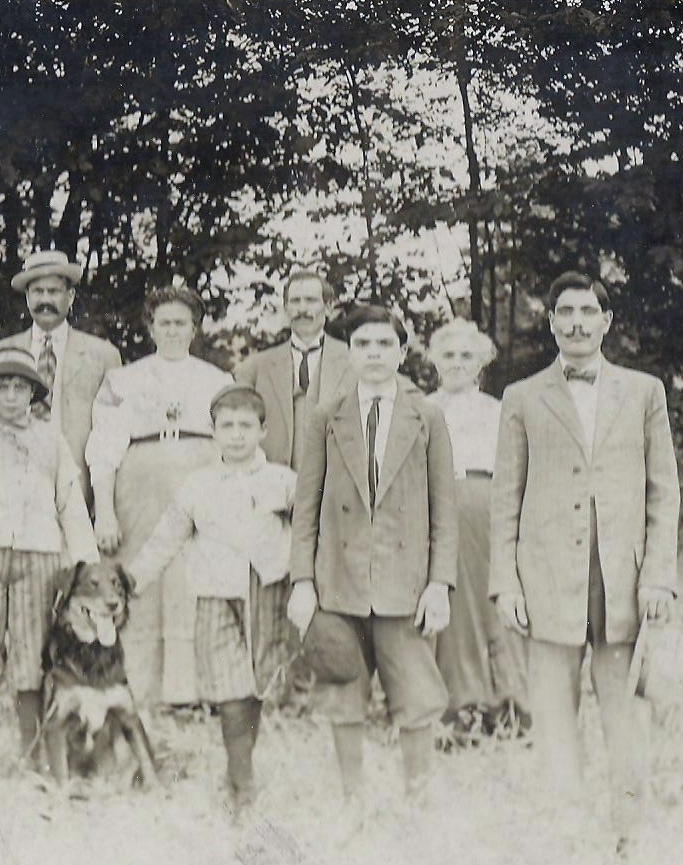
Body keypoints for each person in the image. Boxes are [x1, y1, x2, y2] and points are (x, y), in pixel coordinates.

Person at [490, 271, 679, 849]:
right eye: (564, 311)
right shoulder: (521, 398)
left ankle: (630, 829)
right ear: (549, 322)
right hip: (547, 577)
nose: (575, 322)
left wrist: (659, 578)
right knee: (552, 710)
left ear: (606, 321)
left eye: (586, 311)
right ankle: (564, 826)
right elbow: (505, 497)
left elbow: (663, 492)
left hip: (621, 580)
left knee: (624, 710)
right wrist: (506, 583)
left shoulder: (644, 392)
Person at [288, 303, 457, 826]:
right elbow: (306, 506)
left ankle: (420, 797)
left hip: (405, 585)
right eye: (363, 344)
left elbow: (443, 509)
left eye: (385, 344)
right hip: (338, 583)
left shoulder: (426, 415)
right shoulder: (326, 415)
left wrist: (439, 584)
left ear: (402, 352)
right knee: (342, 688)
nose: (374, 355)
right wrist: (301, 581)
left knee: (417, 691)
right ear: (349, 353)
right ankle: (352, 801)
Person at [128, 384, 297, 819]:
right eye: (227, 426)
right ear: (213, 431)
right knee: (230, 690)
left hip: (267, 594)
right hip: (215, 596)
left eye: (246, 426)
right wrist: (134, 580)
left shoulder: (283, 480)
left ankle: (239, 768)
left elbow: (307, 534)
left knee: (256, 686)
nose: (237, 435)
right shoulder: (197, 485)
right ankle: (242, 784)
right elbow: (166, 538)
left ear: (263, 430)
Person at [0, 348, 99, 805]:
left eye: (20, 387)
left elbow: (69, 501)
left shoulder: (51, 441)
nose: (11, 397)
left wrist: (84, 563)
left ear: (33, 393)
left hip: (38, 556)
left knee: (31, 659)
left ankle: (32, 760)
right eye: (1, 387)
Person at [87, 286, 235, 706]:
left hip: (199, 479)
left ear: (195, 328)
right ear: (151, 327)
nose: (172, 330)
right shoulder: (123, 379)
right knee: (141, 578)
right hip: (141, 485)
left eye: (180, 323)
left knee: (193, 579)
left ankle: (193, 692)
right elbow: (104, 447)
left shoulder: (218, 380)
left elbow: (232, 443)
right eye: (164, 323)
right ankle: (138, 687)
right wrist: (106, 512)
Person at [426, 319, 529, 743]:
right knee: (449, 605)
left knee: (494, 600)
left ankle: (511, 704)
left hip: (483, 505)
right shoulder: (420, 407)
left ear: (482, 362)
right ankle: (461, 705)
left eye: (466, 355)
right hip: (433, 508)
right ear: (433, 360)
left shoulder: (497, 410)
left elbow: (515, 469)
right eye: (447, 355)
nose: (456, 363)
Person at [0, 249, 121, 506]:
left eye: (54, 291)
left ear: (70, 296)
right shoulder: (2, 352)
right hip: (14, 483)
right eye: (38, 292)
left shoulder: (103, 355)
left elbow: (113, 433)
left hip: (77, 485)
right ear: (27, 297)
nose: (45, 299)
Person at [233, 269, 353, 468]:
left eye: (311, 300)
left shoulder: (354, 362)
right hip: (275, 483)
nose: (302, 309)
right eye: (295, 301)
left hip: (337, 483)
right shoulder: (255, 368)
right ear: (285, 309)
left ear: (329, 307)